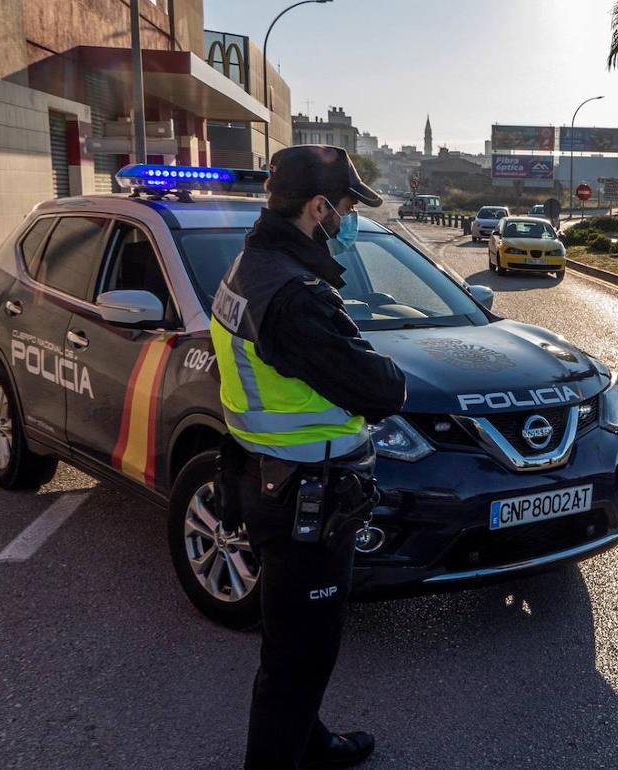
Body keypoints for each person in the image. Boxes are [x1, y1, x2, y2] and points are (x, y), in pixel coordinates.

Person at [210, 145, 407, 770]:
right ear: (319, 208)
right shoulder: (294, 296)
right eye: (347, 208)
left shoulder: (251, 265)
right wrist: (391, 373)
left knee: (291, 644)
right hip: (304, 499)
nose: (350, 220)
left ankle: (311, 742)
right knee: (299, 658)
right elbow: (377, 389)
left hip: (268, 479)